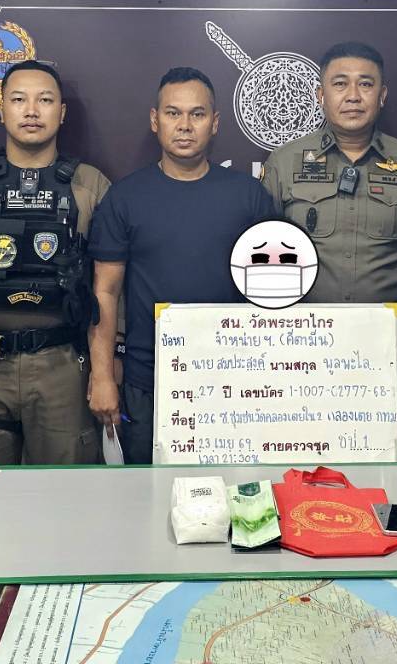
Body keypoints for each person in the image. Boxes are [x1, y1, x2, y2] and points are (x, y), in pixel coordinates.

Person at [259, 41, 397, 457]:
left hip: (389, 356)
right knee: (301, 463)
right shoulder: (285, 163)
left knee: (383, 469)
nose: (353, 96)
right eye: (340, 84)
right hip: (301, 354)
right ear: (320, 95)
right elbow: (259, 263)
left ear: (383, 94)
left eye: (366, 84)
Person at [86, 67, 275, 464]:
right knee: (149, 493)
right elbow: (105, 290)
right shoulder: (125, 198)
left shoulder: (249, 196)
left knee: (234, 493)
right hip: (149, 379)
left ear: (215, 123)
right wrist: (102, 375)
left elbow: (272, 291)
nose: (185, 125)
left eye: (197, 114)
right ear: (155, 120)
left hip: (235, 377)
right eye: (173, 113)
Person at [0, 60, 109, 492]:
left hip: (61, 367)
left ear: (62, 112)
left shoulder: (91, 185)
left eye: (45, 100)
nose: (32, 110)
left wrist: (105, 369)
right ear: (1, 109)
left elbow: (108, 287)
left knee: (68, 496)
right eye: (18, 99)